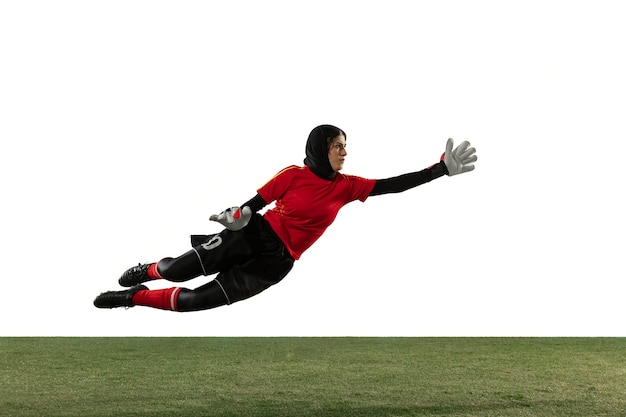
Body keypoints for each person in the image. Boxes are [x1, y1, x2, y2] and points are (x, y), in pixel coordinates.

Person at [94, 125, 477, 312]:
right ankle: (147, 271)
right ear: (319, 148)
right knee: (178, 270)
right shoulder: (294, 174)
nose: (344, 152)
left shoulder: (348, 186)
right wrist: (237, 216)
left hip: (277, 263)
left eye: (346, 146)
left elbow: (394, 184)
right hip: (252, 235)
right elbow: (253, 205)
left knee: (195, 301)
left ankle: (133, 298)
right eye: (337, 146)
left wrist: (440, 169)